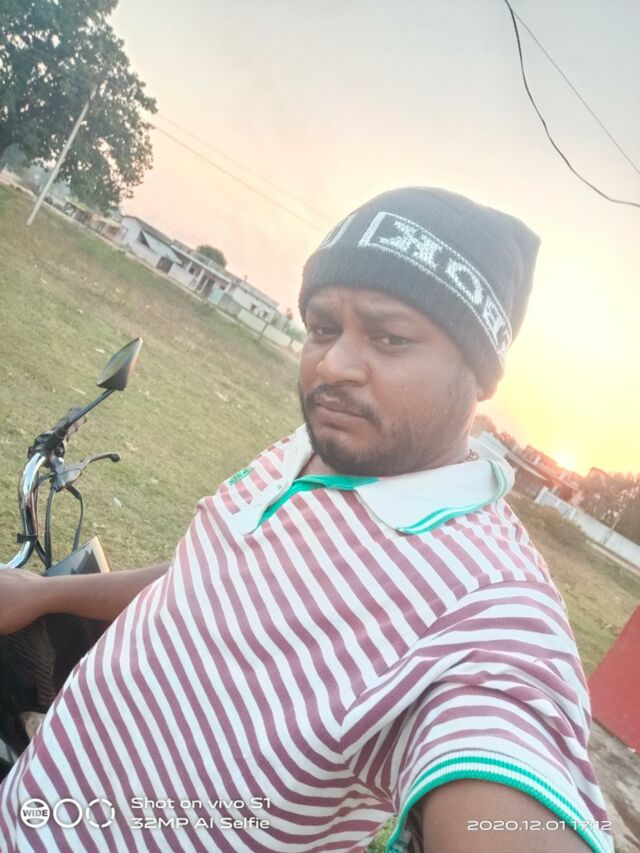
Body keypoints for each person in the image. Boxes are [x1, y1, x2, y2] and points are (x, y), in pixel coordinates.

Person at [0, 187, 613, 853]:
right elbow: (205, 577)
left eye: (389, 337)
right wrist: (46, 594)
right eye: (323, 329)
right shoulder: (312, 447)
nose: (333, 365)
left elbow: (510, 775)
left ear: (480, 372)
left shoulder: (488, 606)